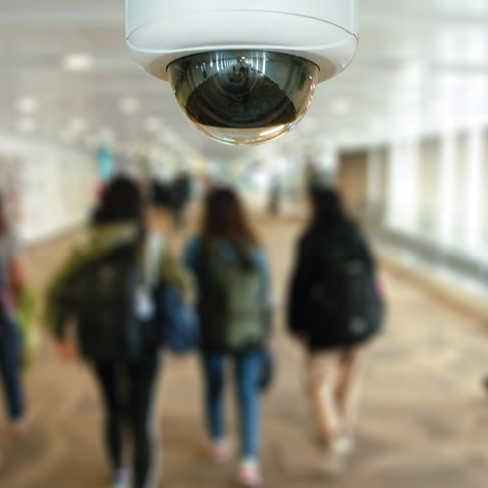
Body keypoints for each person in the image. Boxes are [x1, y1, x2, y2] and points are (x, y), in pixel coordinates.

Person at [44, 176, 192, 488]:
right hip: (145, 342)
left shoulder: (86, 245)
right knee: (141, 415)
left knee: (111, 408)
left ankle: (119, 473)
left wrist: (60, 333)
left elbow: (56, 291)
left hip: (98, 340)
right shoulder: (152, 245)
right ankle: (143, 480)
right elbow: (184, 286)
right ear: (139, 206)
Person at [287, 187, 383, 474]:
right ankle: (345, 427)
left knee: (318, 381)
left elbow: (300, 284)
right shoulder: (357, 236)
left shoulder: (311, 239)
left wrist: (295, 322)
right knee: (350, 378)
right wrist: (375, 315)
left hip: (323, 324)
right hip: (359, 322)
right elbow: (373, 278)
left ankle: (332, 432)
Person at [184, 187, 272, 488]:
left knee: (213, 384)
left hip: (211, 328)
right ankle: (249, 461)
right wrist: (265, 331)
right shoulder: (253, 245)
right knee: (247, 392)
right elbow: (265, 293)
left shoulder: (199, 245)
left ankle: (219, 440)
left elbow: (184, 285)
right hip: (249, 331)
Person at [0, 195, 31, 467]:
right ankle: (17, 416)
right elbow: (20, 279)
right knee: (8, 367)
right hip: (4, 316)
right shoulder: (8, 241)